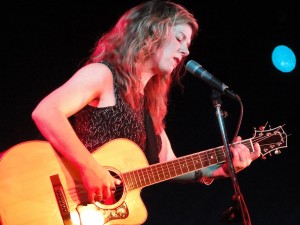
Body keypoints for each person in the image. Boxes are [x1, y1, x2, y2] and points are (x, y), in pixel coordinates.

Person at [32, 0, 261, 222]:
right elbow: (47, 112)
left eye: (188, 45)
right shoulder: (103, 75)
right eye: (179, 38)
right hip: (55, 198)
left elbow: (170, 164)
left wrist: (220, 170)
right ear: (151, 32)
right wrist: (90, 168)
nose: (185, 52)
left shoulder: (150, 107)